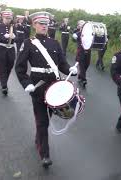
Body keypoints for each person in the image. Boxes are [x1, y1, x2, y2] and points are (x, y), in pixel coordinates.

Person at [15, 11, 78, 168]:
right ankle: (45, 154)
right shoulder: (28, 43)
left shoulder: (55, 43)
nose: (44, 26)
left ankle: (39, 140)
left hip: (54, 87)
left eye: (46, 23)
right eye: (41, 23)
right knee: (42, 121)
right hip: (38, 87)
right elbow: (20, 67)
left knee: (45, 121)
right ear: (34, 25)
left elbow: (62, 63)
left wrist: (70, 68)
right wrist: (26, 83)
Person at [0, 9, 17, 95]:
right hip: (1, 49)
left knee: (9, 67)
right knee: (2, 68)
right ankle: (4, 86)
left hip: (10, 49)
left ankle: (4, 82)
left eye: (9, 18)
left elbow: (17, 39)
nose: (8, 19)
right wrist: (5, 37)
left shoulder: (13, 27)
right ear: (3, 18)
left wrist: (14, 37)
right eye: (6, 18)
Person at [73, 20, 91, 87]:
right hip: (80, 51)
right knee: (82, 66)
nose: (83, 24)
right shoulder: (78, 33)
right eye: (81, 23)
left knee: (87, 64)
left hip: (88, 51)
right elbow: (74, 38)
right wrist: (74, 36)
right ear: (78, 26)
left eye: (84, 23)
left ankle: (80, 75)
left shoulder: (89, 33)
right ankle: (84, 79)